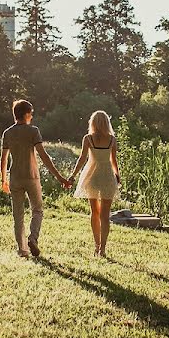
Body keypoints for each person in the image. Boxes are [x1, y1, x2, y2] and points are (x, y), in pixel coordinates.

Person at [0, 99, 70, 258]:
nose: (32, 116)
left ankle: (22, 250)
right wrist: (60, 178)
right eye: (31, 113)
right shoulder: (33, 131)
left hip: (15, 178)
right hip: (32, 177)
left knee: (18, 215)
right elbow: (44, 156)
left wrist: (3, 180)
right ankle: (33, 238)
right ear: (26, 114)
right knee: (37, 210)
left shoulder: (7, 133)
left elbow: (3, 159)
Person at [68, 110, 121, 258]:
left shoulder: (88, 138)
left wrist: (73, 176)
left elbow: (82, 159)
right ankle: (102, 248)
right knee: (105, 215)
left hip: (91, 175)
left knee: (95, 212)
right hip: (106, 176)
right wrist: (118, 175)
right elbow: (113, 161)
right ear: (106, 123)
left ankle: (96, 246)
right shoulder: (112, 140)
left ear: (93, 123)